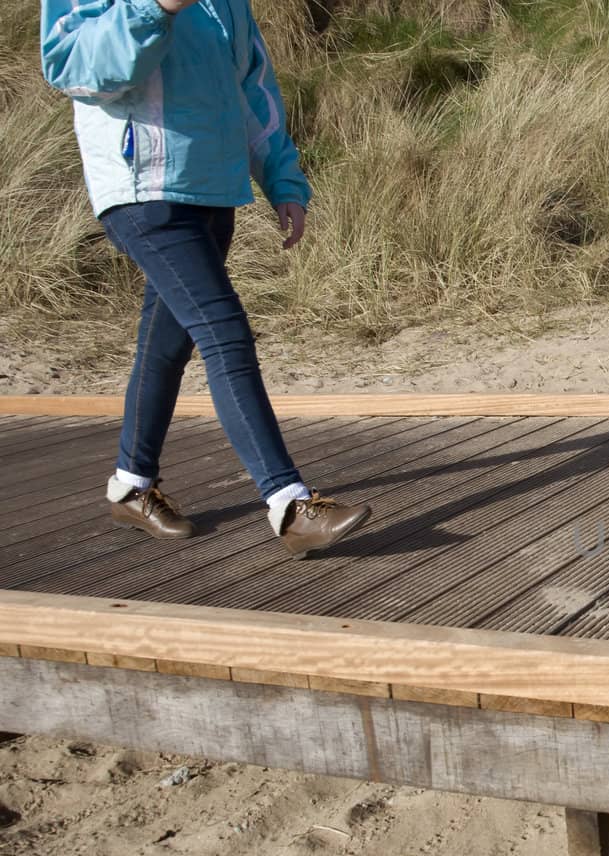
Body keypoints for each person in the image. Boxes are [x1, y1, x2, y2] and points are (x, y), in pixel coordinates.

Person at [41, 0, 371, 558]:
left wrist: (283, 181)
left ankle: (130, 484)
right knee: (224, 332)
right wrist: (155, 8)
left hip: (214, 192)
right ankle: (288, 504)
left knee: (166, 345)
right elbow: (71, 65)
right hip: (142, 189)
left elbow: (254, 90)